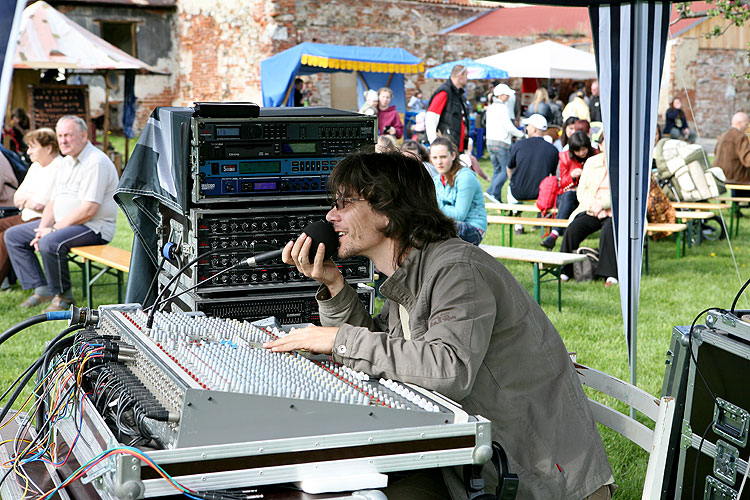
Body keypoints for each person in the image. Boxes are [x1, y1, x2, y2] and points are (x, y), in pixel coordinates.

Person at [264, 150, 614, 500]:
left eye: (345, 203)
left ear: (386, 212)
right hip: (472, 465)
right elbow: (390, 349)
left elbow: (449, 368)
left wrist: (339, 339)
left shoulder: (457, 270)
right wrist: (335, 287)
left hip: (533, 479)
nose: (331, 216)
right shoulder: (415, 268)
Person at [5, 115, 119, 312]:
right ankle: (42, 289)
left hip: (93, 227)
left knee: (51, 241)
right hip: (66, 224)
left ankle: (64, 297)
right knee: (13, 236)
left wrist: (53, 229)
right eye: (60, 136)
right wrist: (43, 227)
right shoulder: (67, 162)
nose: (63, 140)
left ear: (83, 135)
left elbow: (88, 210)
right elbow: (53, 202)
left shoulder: (95, 162)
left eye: (68, 135)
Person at [0, 128, 62, 288]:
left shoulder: (58, 167)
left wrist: (26, 200)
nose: (28, 152)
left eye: (33, 147)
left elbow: (40, 204)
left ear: (48, 148)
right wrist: (29, 199)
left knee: (7, 236)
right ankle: (10, 278)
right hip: (27, 215)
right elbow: (17, 197)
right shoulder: (36, 166)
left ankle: (35, 285)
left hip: (42, 219)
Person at [560, 141, 618, 286]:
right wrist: (594, 206)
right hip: (592, 209)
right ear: (600, 145)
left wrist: (604, 205)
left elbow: (624, 193)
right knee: (573, 229)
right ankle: (565, 270)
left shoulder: (625, 163)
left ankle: (610, 275)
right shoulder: (592, 162)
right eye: (607, 143)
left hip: (615, 211)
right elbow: (582, 190)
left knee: (608, 230)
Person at [541, 131, 597, 249]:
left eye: (584, 149)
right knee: (569, 195)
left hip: (590, 195)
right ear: (572, 150)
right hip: (568, 195)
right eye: (578, 150)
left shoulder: (595, 157)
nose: (582, 153)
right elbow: (561, 184)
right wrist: (571, 177)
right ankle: (555, 234)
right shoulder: (564, 157)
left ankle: (555, 234)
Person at [430, 137, 487, 245]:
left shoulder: (465, 178)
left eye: (443, 157)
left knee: (433, 230)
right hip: (449, 225)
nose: (439, 162)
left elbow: (459, 215)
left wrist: (434, 206)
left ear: (453, 155)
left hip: (473, 228)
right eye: (435, 157)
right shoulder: (436, 180)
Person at [484, 83, 524, 203]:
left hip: (490, 143)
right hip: (501, 143)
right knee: (506, 171)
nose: (508, 97)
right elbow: (509, 127)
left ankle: (495, 196)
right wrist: (522, 135)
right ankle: (491, 191)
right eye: (507, 95)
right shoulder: (502, 108)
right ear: (501, 95)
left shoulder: (490, 107)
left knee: (497, 170)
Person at [507, 114, 559, 203]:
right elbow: (554, 175)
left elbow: (509, 167)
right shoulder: (552, 150)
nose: (526, 128)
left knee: (510, 190)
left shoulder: (519, 145)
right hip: (541, 192)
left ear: (534, 129)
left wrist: (512, 181)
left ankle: (515, 213)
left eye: (528, 126)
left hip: (517, 192)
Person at [426, 65, 471, 152]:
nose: (467, 79)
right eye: (466, 76)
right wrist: (434, 144)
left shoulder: (458, 94)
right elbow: (431, 117)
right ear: (460, 76)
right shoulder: (444, 92)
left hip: (457, 146)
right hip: (446, 146)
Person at [714, 112, 750, 194]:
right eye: (746, 124)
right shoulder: (740, 136)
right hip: (736, 177)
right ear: (739, 123)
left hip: (721, 176)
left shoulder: (723, 136)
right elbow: (747, 160)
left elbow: (715, 152)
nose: (747, 127)